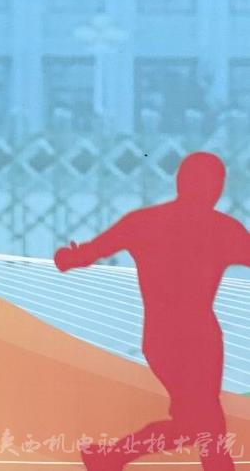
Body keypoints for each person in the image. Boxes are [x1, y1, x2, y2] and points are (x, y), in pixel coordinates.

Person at [56, 151, 247, 471]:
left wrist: (68, 257)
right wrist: (71, 258)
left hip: (173, 341)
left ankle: (111, 458)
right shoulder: (223, 229)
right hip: (193, 341)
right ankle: (112, 457)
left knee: (197, 424)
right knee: (207, 426)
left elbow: (84, 254)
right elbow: (85, 254)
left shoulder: (145, 223)